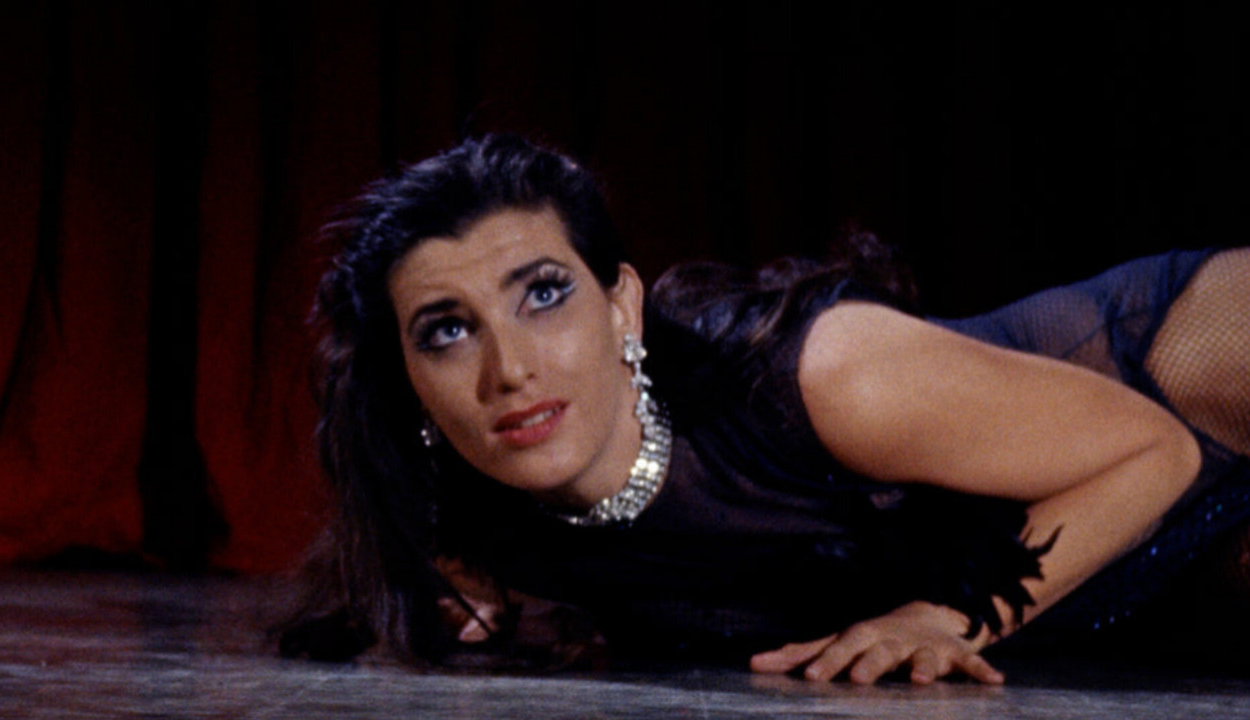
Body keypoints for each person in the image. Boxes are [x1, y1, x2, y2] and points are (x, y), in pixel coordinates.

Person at [279, 134, 1250, 684]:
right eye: (447, 330)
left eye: (543, 294)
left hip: (1188, 374)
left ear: (620, 305)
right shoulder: (480, 502)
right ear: (408, 376)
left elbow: (1153, 451)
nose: (508, 369)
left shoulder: (814, 377)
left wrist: (941, 617)